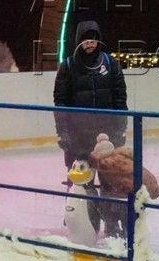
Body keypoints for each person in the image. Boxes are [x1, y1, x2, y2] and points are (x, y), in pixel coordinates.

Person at [52, 20, 127, 169]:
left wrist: (121, 128)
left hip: (106, 134)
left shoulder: (111, 63)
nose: (89, 44)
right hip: (78, 137)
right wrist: (62, 132)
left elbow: (120, 98)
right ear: (79, 42)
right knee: (80, 185)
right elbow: (60, 102)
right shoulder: (67, 66)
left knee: (109, 182)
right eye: (85, 41)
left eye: (93, 40)